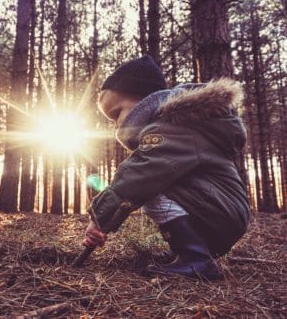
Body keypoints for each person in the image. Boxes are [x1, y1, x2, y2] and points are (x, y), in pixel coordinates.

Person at [82, 56, 250, 279]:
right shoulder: (181, 125)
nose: (117, 125)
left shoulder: (173, 127)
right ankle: (191, 252)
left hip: (220, 213)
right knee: (151, 188)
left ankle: (196, 259)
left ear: (142, 101)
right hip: (222, 212)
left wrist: (99, 218)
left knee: (151, 189)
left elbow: (137, 176)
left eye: (116, 113)